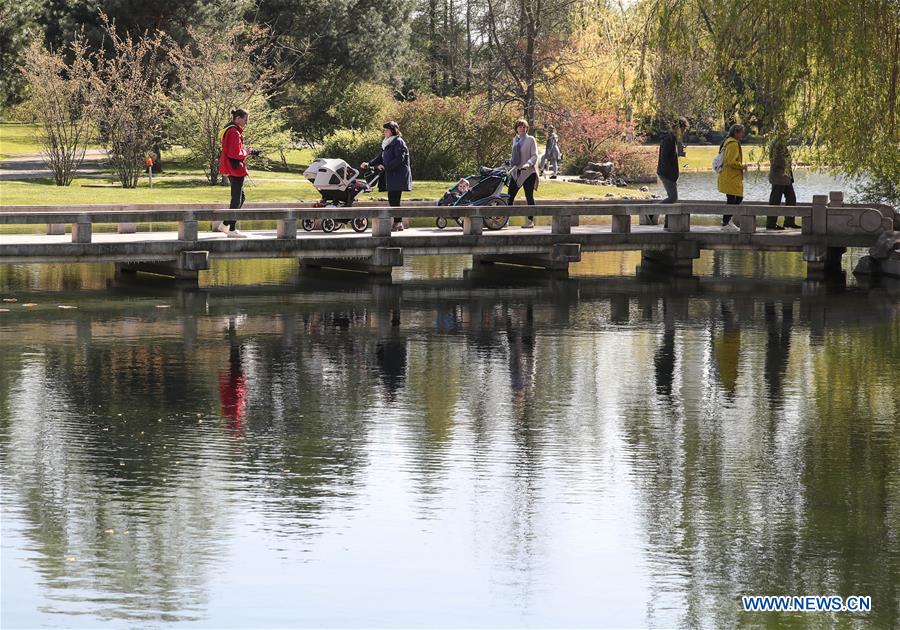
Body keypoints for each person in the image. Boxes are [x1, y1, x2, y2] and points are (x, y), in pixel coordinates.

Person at [216, 108, 260, 238]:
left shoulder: (229, 129)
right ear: (238, 118)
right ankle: (232, 229)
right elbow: (234, 153)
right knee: (236, 199)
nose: (246, 123)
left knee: (241, 197)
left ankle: (225, 225)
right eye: (245, 120)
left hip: (231, 167)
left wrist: (247, 151)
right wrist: (247, 152)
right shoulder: (234, 132)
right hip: (235, 169)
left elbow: (233, 150)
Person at [361, 121, 412, 232]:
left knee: (394, 199)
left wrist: (385, 166)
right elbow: (380, 157)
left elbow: (399, 159)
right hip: (391, 175)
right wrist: (369, 164)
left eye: (386, 130)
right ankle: (398, 223)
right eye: (384, 130)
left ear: (393, 130)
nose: (384, 132)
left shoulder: (398, 142)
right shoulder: (387, 143)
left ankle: (398, 223)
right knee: (392, 199)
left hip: (398, 176)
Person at [650, 116, 688, 227]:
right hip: (666, 173)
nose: (684, 132)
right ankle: (651, 211)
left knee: (672, 199)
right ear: (679, 128)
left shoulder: (673, 139)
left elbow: (670, 156)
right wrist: (671, 175)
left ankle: (667, 223)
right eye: (684, 129)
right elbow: (664, 158)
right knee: (673, 197)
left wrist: (679, 153)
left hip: (669, 173)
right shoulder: (669, 139)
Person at [717, 123, 748, 232]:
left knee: (734, 198)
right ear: (736, 132)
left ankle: (728, 221)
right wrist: (742, 166)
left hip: (730, 176)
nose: (743, 134)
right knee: (735, 199)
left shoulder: (729, 141)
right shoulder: (733, 144)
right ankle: (726, 223)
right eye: (741, 132)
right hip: (731, 176)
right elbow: (730, 161)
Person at [508, 119, 539, 228]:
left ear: (527, 128)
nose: (522, 128)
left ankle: (530, 221)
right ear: (516, 128)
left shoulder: (531, 139)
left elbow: (534, 155)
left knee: (529, 196)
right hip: (516, 172)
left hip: (528, 172)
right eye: (520, 127)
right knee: (510, 196)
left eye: (524, 127)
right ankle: (505, 220)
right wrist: (509, 161)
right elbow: (514, 156)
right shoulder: (515, 140)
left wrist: (528, 164)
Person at [767, 135, 800, 230]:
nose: (788, 133)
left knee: (791, 198)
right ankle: (771, 224)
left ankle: (789, 221)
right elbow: (776, 160)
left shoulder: (781, 142)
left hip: (786, 177)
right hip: (779, 177)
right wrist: (787, 163)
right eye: (786, 130)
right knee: (775, 200)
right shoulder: (778, 143)